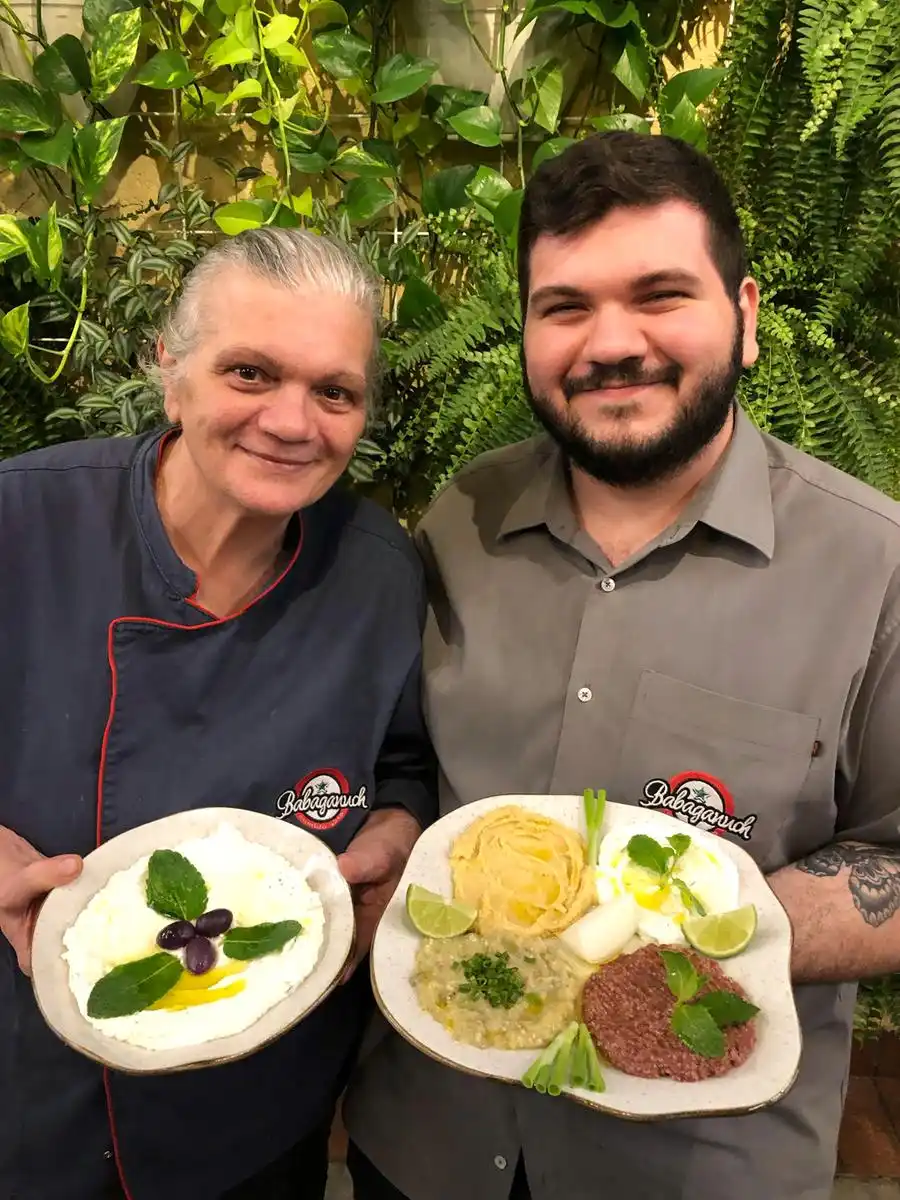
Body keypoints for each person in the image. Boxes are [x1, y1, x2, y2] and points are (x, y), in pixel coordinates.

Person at [342, 131, 900, 1200]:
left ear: (743, 317)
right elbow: (402, 755)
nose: (611, 343)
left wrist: (681, 941)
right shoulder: (461, 516)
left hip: (693, 1160)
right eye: (564, 307)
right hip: (426, 1141)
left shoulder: (875, 569)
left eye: (660, 294)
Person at [0, 226, 435, 1200]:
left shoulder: (376, 573)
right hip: (26, 1096)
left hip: (255, 1112)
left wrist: (397, 833)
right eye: (249, 372)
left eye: (335, 391)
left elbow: (406, 761)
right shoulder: (22, 522)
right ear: (171, 371)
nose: (293, 420)